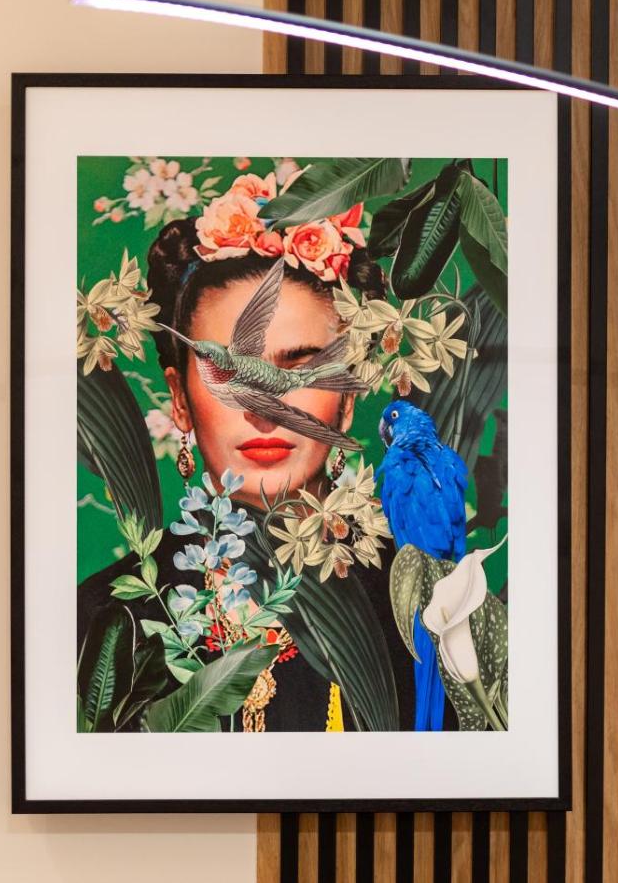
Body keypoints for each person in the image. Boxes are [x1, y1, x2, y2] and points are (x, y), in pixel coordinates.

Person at [77, 176, 430, 731]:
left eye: (301, 367)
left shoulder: (422, 612)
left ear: (347, 398)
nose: (264, 410)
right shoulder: (103, 619)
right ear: (180, 399)